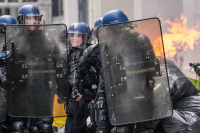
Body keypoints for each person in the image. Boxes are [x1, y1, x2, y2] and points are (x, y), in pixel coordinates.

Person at [69, 9, 160, 133]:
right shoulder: (107, 47)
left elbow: (152, 68)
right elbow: (104, 75)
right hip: (121, 98)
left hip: (142, 97)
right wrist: (99, 96)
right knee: (122, 130)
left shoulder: (140, 40)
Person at [7, 5, 55, 133]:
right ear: (22, 20)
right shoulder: (13, 40)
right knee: (18, 127)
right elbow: (3, 64)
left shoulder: (47, 40)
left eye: (36, 18)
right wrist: (3, 77)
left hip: (42, 93)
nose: (33, 22)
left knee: (45, 128)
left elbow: (58, 65)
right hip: (20, 94)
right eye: (29, 18)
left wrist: (61, 88)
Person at [65, 22, 98, 133]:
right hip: (73, 99)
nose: (74, 39)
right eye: (72, 35)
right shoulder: (68, 53)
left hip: (85, 100)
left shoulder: (90, 52)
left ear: (84, 37)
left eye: (78, 36)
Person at [0, 15, 17, 133]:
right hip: (1, 96)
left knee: (17, 126)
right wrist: (2, 76)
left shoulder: (17, 43)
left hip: (16, 96)